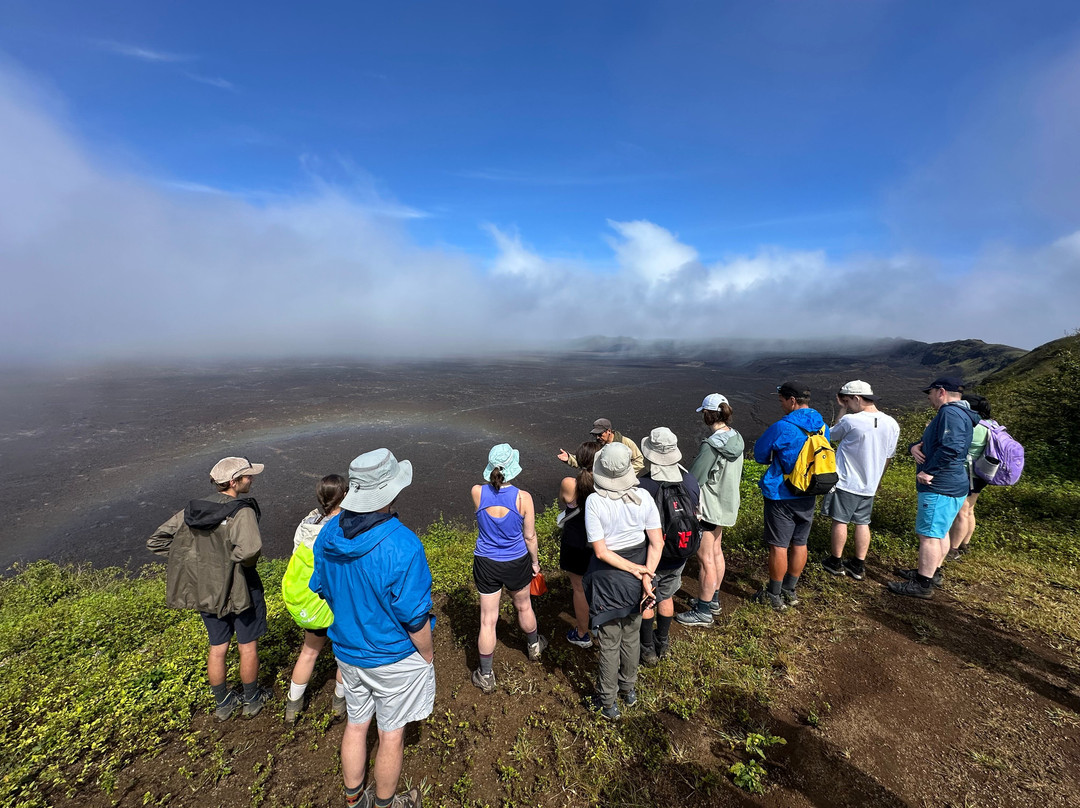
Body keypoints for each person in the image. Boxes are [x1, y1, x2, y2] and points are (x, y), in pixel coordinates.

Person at [309, 449, 434, 808]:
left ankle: (353, 800)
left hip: (347, 652)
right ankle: (385, 804)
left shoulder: (330, 532)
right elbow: (414, 618)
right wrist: (427, 653)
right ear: (390, 492)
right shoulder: (403, 544)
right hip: (393, 655)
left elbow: (323, 588)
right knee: (391, 733)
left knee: (356, 723)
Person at [147, 456, 271, 721]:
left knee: (218, 646)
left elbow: (156, 541)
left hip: (206, 590)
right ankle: (251, 699)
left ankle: (223, 704)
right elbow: (249, 550)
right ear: (234, 482)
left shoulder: (193, 510)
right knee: (247, 646)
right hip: (241, 588)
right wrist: (229, 563)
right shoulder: (242, 510)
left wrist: (198, 559)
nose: (252, 479)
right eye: (248, 476)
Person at [583, 442, 664, 720]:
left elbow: (601, 551)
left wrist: (637, 571)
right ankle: (628, 690)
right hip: (637, 579)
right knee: (631, 636)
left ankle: (607, 702)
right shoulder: (644, 497)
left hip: (607, 579)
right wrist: (646, 575)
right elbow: (656, 542)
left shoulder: (594, 501)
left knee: (609, 642)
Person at [888, 377, 980, 599]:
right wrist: (914, 447)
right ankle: (931, 572)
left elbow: (952, 447)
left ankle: (923, 584)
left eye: (929, 393)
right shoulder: (961, 414)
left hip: (940, 484)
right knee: (939, 532)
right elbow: (937, 442)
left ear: (941, 392)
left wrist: (930, 471)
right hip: (953, 484)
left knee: (928, 535)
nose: (928, 398)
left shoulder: (950, 413)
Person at [470, 443, 546, 694]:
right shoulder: (523, 498)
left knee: (487, 620)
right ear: (513, 466)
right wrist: (534, 563)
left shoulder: (477, 492)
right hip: (516, 562)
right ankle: (534, 647)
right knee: (524, 605)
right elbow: (530, 537)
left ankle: (486, 674)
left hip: (486, 562)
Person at [752, 382, 830, 611]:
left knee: (778, 545)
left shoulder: (782, 427)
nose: (782, 405)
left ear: (792, 401)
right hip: (809, 492)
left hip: (782, 494)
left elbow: (760, 454)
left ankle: (774, 595)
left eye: (782, 401)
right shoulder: (822, 426)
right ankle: (790, 589)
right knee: (800, 542)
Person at [283, 474, 348, 724]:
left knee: (309, 651)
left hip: (310, 600)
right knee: (344, 654)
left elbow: (298, 554)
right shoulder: (343, 526)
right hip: (333, 600)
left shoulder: (308, 521)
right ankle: (339, 706)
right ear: (344, 495)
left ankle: (293, 707)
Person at [819, 381, 899, 581]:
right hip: (870, 483)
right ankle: (858, 564)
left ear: (856, 398)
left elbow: (828, 436)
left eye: (847, 401)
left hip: (847, 481)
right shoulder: (891, 423)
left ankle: (835, 562)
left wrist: (842, 410)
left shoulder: (851, 421)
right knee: (863, 522)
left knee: (840, 520)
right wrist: (878, 479)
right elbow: (888, 456)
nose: (847, 404)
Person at [679, 394, 744, 626]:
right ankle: (713, 599)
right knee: (716, 551)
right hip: (725, 504)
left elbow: (695, 479)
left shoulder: (711, 446)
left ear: (708, 414)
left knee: (705, 557)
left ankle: (703, 611)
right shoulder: (735, 438)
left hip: (708, 507)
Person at [636, 427, 700, 661]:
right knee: (666, 597)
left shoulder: (643, 486)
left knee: (646, 599)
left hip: (650, 557)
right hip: (679, 552)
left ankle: (646, 649)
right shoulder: (690, 481)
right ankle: (663, 642)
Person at [558, 440, 604, 648]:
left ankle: (582, 633)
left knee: (579, 588)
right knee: (601, 585)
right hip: (600, 543)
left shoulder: (569, 484)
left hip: (575, 542)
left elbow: (563, 499)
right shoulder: (607, 484)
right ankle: (601, 628)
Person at [948, 394, 992, 560]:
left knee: (961, 512)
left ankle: (953, 549)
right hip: (982, 473)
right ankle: (965, 544)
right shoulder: (991, 425)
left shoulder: (973, 425)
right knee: (969, 510)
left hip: (968, 473)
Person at [558, 418, 645, 476]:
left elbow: (639, 461)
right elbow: (587, 462)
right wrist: (569, 458)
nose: (597, 438)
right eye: (595, 435)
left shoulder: (625, 442)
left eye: (600, 434)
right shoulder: (597, 445)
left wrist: (622, 474)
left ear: (609, 431)